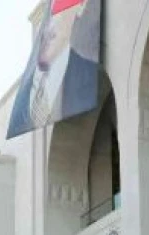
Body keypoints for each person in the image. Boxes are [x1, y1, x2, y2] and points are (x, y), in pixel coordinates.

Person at [7, 0, 97, 136]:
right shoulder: (21, 100)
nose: (48, 23)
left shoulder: (89, 77)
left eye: (57, 8)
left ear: (80, 6)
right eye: (45, 16)